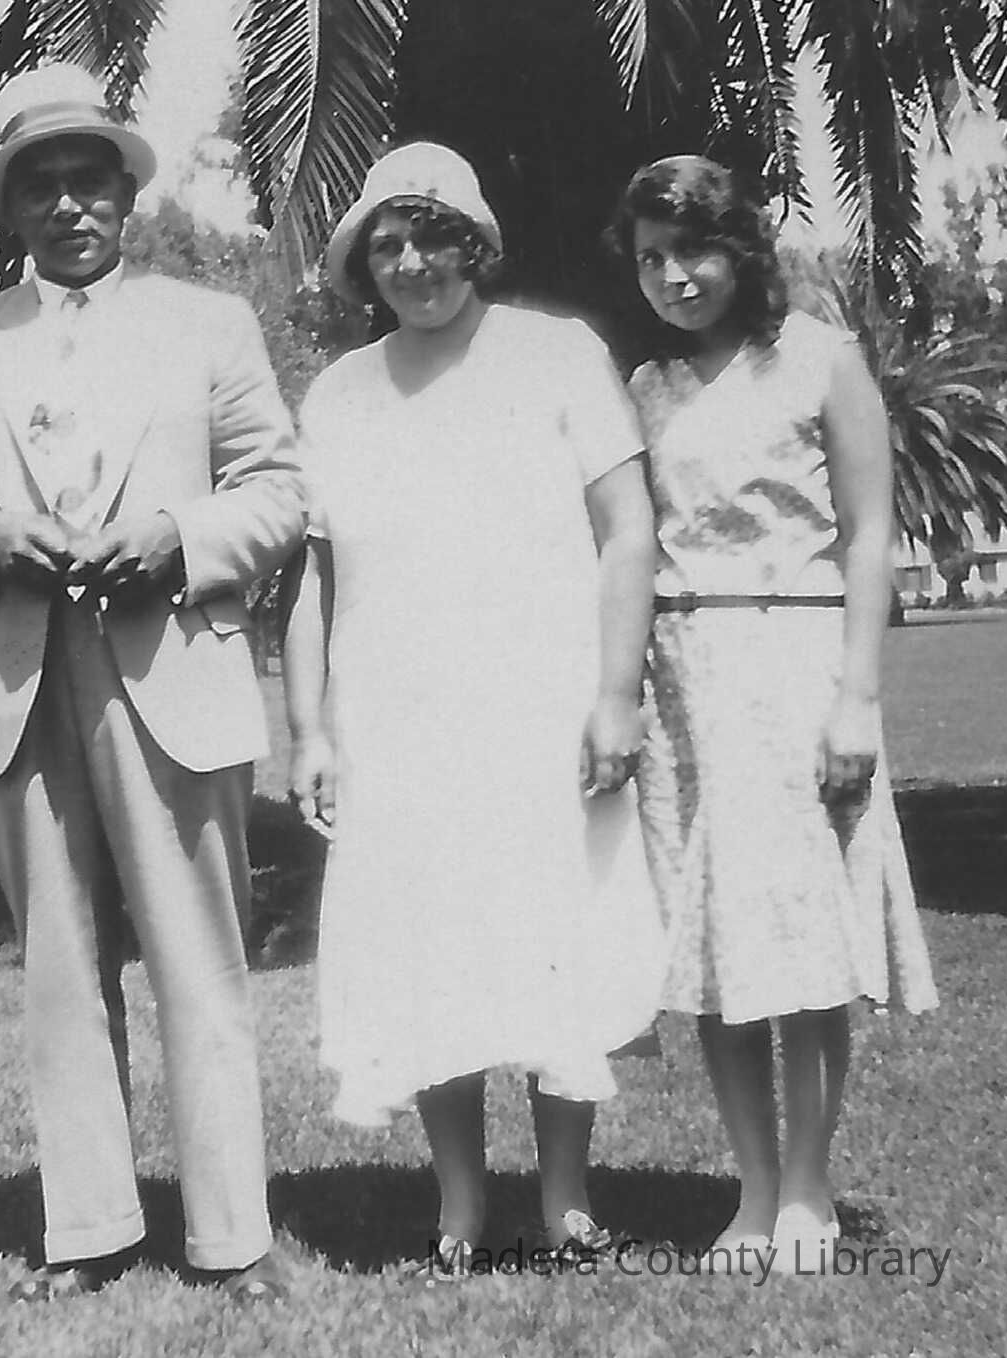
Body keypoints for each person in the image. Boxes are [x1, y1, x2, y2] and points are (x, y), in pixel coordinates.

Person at [0, 65, 305, 1303]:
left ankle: (234, 1233)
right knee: (59, 967)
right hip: (20, 674)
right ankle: (91, 1228)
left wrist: (182, 534)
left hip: (170, 662)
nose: (68, 205)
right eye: (41, 185)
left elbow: (278, 488)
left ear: (125, 190)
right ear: (9, 207)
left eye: (88, 179)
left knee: (198, 954)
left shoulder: (208, 323)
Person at [283, 142, 666, 1283]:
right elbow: (311, 580)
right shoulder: (339, 393)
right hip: (395, 716)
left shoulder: (558, 355)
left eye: (434, 238)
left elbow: (629, 531)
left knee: (551, 937)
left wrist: (615, 692)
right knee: (426, 945)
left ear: (475, 245)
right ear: (365, 263)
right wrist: (309, 729)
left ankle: (564, 1198)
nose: (413, 263)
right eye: (389, 244)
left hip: (540, 704)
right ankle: (459, 1198)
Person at [611, 155, 938, 1271]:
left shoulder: (820, 358)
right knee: (715, 944)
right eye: (651, 258)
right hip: (681, 681)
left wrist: (857, 696)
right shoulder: (646, 386)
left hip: (796, 661)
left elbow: (868, 532)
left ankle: (808, 1190)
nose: (674, 276)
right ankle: (752, 1190)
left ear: (739, 247)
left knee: (799, 940)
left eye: (693, 250)